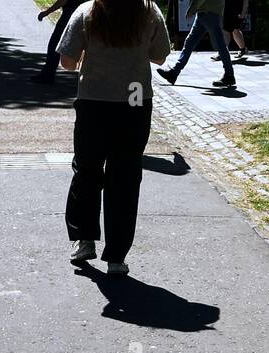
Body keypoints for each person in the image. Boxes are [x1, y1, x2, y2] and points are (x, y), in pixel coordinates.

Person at [58, 0, 170, 275]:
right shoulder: (149, 11)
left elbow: (67, 62)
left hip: (94, 100)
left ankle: (84, 240)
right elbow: (160, 57)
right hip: (134, 101)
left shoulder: (87, 12)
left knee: (87, 169)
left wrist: (92, 57)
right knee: (126, 176)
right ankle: (116, 257)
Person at [155, 0, 235, 89]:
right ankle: (174, 73)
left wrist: (192, 8)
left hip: (209, 12)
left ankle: (229, 75)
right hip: (206, 13)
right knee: (191, 43)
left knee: (220, 46)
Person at [32, 0, 83, 84]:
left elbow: (62, 1)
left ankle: (47, 75)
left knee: (54, 44)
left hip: (70, 17)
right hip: (83, 16)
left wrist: (47, 12)